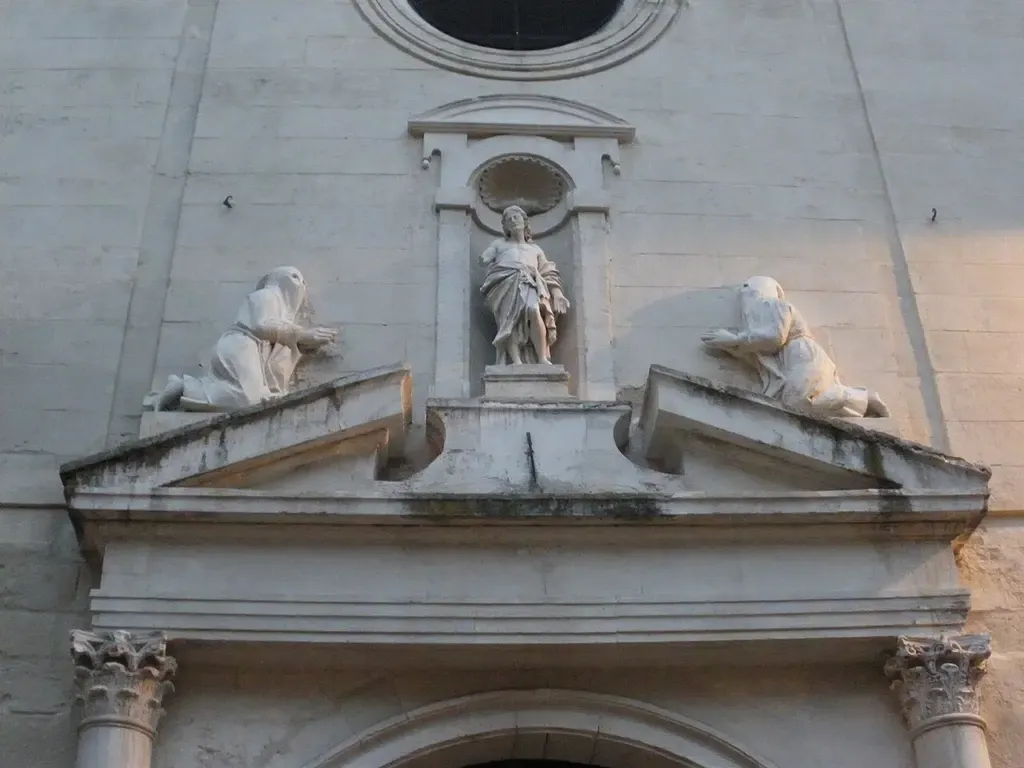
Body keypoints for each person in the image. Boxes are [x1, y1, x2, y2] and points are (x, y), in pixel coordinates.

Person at [153, 266, 336, 412]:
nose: (300, 284)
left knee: (252, 401)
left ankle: (189, 388)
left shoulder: (279, 307)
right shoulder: (267, 295)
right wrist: (303, 334)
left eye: (302, 281)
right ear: (277, 279)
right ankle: (185, 387)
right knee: (250, 402)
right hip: (241, 345)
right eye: (293, 277)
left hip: (249, 348)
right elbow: (261, 325)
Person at [701, 276, 889, 418]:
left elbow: (775, 337)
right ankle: (858, 399)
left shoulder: (772, 304)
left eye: (746, 291)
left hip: (802, 355)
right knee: (790, 407)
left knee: (797, 405)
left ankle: (863, 398)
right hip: (793, 358)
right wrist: (730, 344)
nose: (743, 296)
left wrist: (735, 339)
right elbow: (764, 350)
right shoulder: (764, 310)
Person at [479, 205, 570, 365]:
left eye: (516, 217)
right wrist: (485, 258)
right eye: (508, 219)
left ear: (524, 221)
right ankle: (516, 361)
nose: (513, 221)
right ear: (505, 226)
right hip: (506, 282)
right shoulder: (500, 244)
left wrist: (557, 294)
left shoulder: (534, 249)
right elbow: (488, 254)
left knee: (534, 310)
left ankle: (542, 357)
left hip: (529, 283)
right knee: (510, 319)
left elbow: (548, 271)